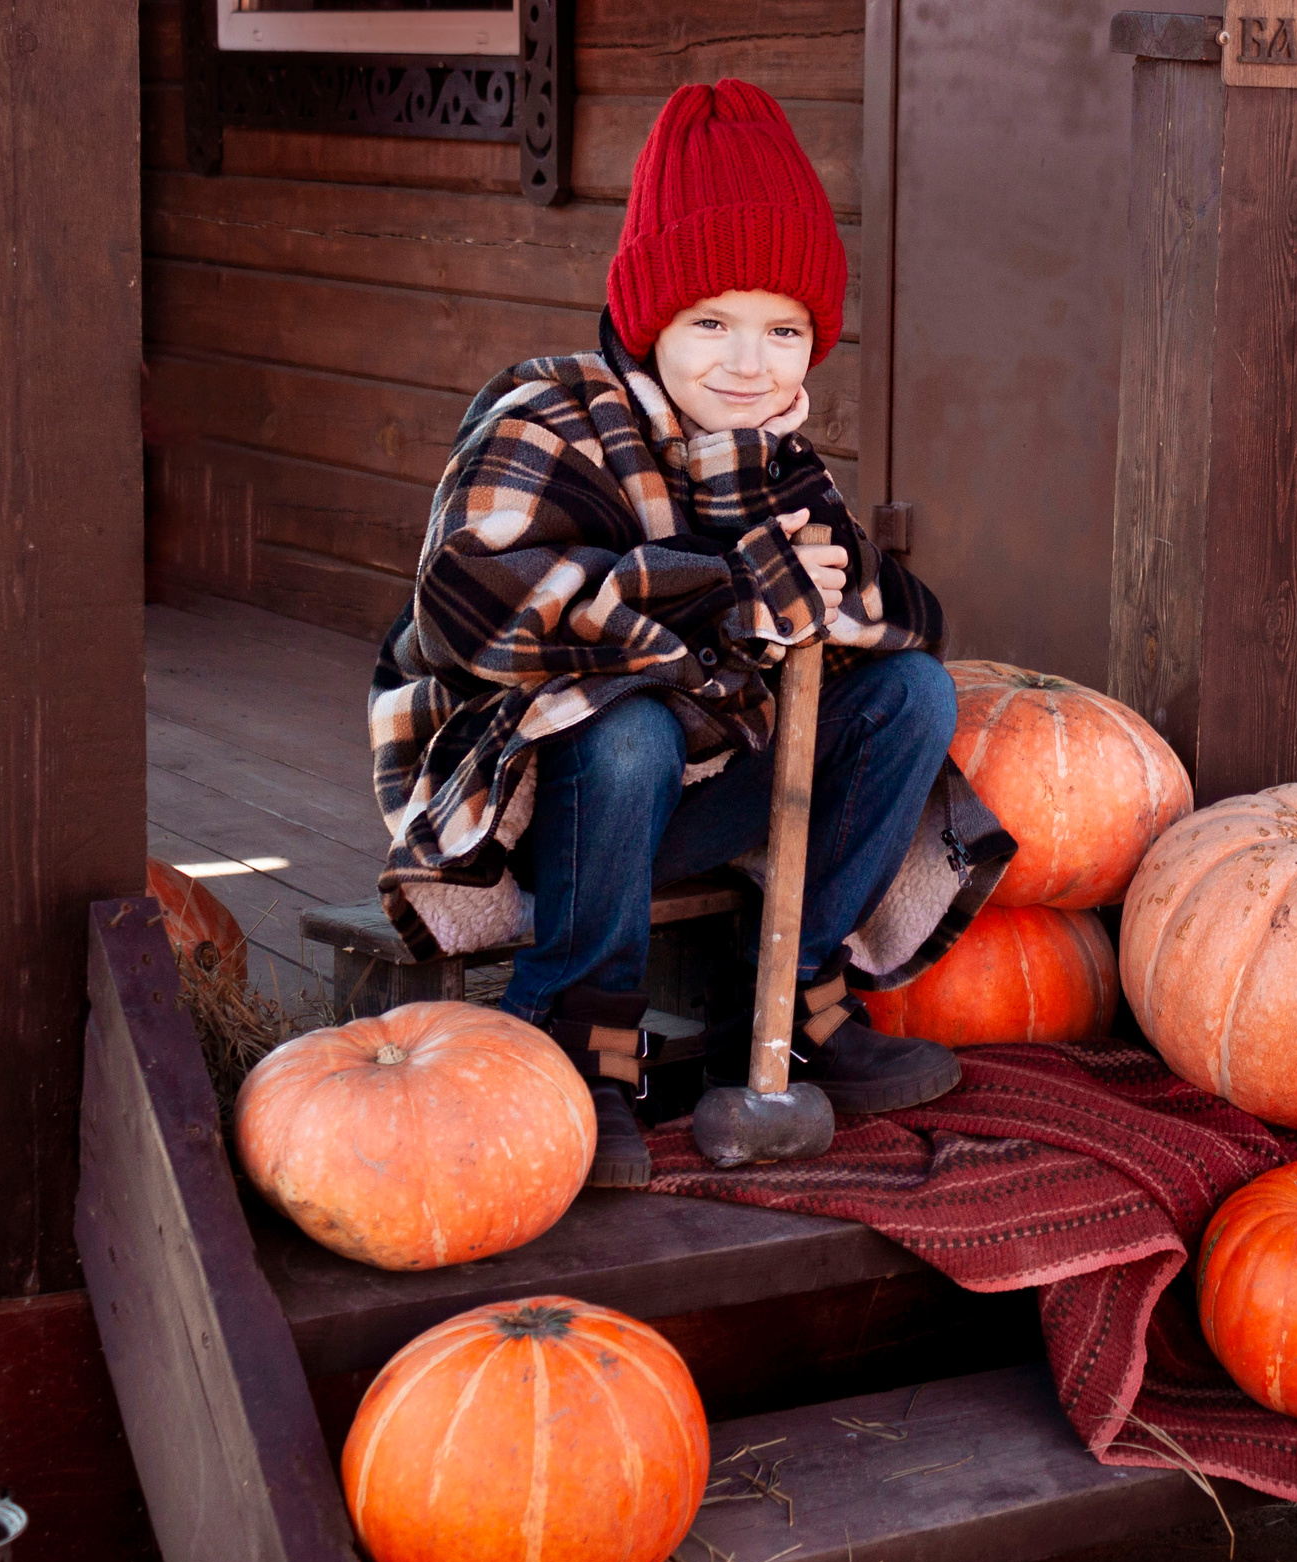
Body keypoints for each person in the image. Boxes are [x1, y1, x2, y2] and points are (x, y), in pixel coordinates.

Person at [368, 80, 1009, 1185]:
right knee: (630, 730)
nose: (747, 362)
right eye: (710, 321)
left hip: (696, 800)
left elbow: (902, 620)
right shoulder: (547, 415)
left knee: (912, 697)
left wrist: (798, 566)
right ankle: (586, 1044)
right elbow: (467, 605)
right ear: (649, 316)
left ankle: (792, 999)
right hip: (534, 808)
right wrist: (723, 588)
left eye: (783, 329)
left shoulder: (778, 457)